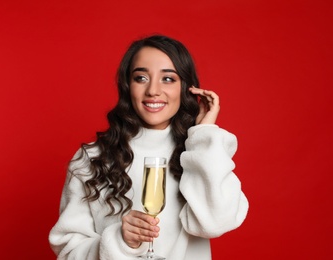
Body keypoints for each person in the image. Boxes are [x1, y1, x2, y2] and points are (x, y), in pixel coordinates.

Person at [49, 35, 249, 260]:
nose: (153, 90)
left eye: (168, 79)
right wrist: (120, 241)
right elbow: (68, 252)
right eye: (141, 77)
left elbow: (216, 222)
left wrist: (203, 134)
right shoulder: (93, 158)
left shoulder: (199, 154)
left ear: (186, 87)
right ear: (127, 86)